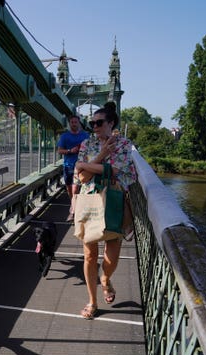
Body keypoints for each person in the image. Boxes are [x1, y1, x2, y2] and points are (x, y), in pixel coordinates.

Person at [74, 102, 136, 319]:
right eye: (92, 123)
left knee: (111, 256)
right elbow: (81, 177)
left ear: (111, 123)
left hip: (115, 200)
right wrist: (101, 156)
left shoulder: (124, 144)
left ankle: (105, 279)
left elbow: (119, 171)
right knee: (89, 255)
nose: (95, 126)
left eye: (99, 122)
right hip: (90, 201)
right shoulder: (87, 143)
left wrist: (87, 166)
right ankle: (92, 302)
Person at [57, 115, 89, 222]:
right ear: (69, 123)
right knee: (70, 189)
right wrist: (70, 151)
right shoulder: (64, 136)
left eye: (76, 122)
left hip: (82, 166)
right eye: (72, 122)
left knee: (76, 189)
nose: (74, 124)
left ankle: (73, 211)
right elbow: (60, 151)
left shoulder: (86, 135)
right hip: (68, 166)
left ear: (79, 123)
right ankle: (73, 204)